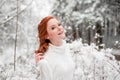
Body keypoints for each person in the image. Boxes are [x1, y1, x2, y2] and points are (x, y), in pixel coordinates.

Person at [35, 16, 75, 80]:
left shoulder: (67, 49)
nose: (59, 28)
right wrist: (41, 66)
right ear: (46, 36)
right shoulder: (45, 60)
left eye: (59, 24)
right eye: (53, 28)